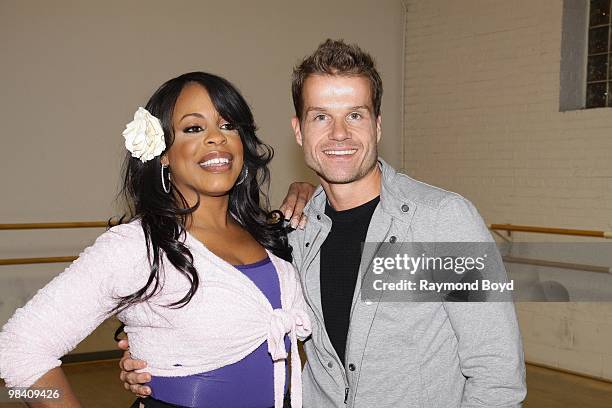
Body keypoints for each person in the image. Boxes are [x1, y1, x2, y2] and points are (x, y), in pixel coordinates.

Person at [121, 40, 527, 407]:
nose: (339, 134)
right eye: (320, 117)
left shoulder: (442, 221)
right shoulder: (292, 233)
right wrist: (142, 348)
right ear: (299, 130)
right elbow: (214, 307)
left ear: (377, 125)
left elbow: (497, 374)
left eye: (355, 115)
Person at [0, 72, 311, 408]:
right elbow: (17, 349)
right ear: (163, 153)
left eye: (227, 125)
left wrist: (315, 195)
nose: (215, 139)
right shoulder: (137, 247)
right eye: (193, 128)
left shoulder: (271, 235)